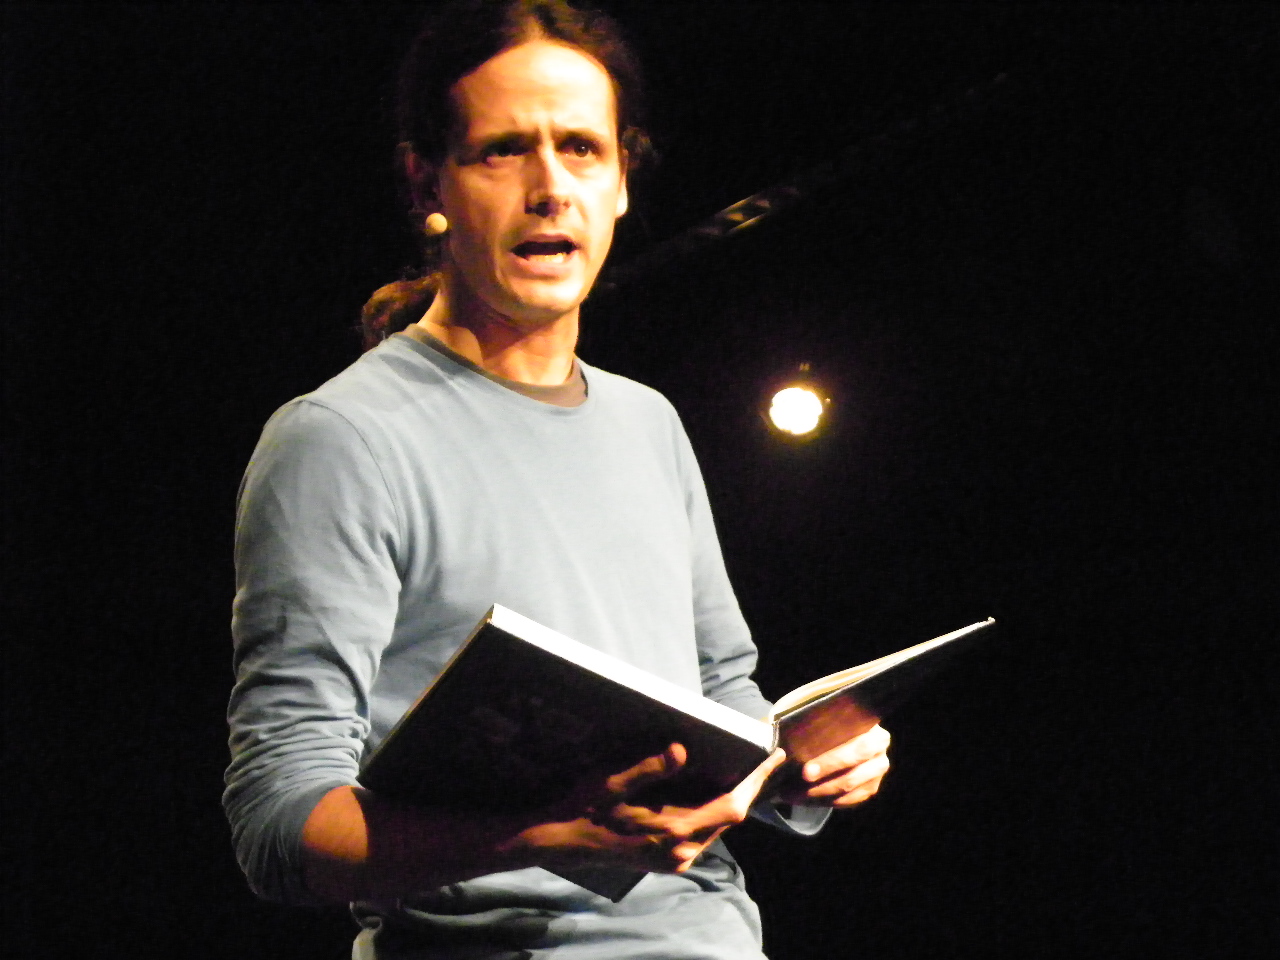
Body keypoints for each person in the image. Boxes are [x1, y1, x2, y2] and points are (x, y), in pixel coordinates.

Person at [224, 2, 891, 957]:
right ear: (426, 182)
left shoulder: (647, 422)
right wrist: (539, 835)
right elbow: (277, 824)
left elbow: (723, 689)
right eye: (504, 151)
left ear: (621, 181)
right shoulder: (341, 440)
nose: (549, 189)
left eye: (581, 149)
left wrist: (800, 765)